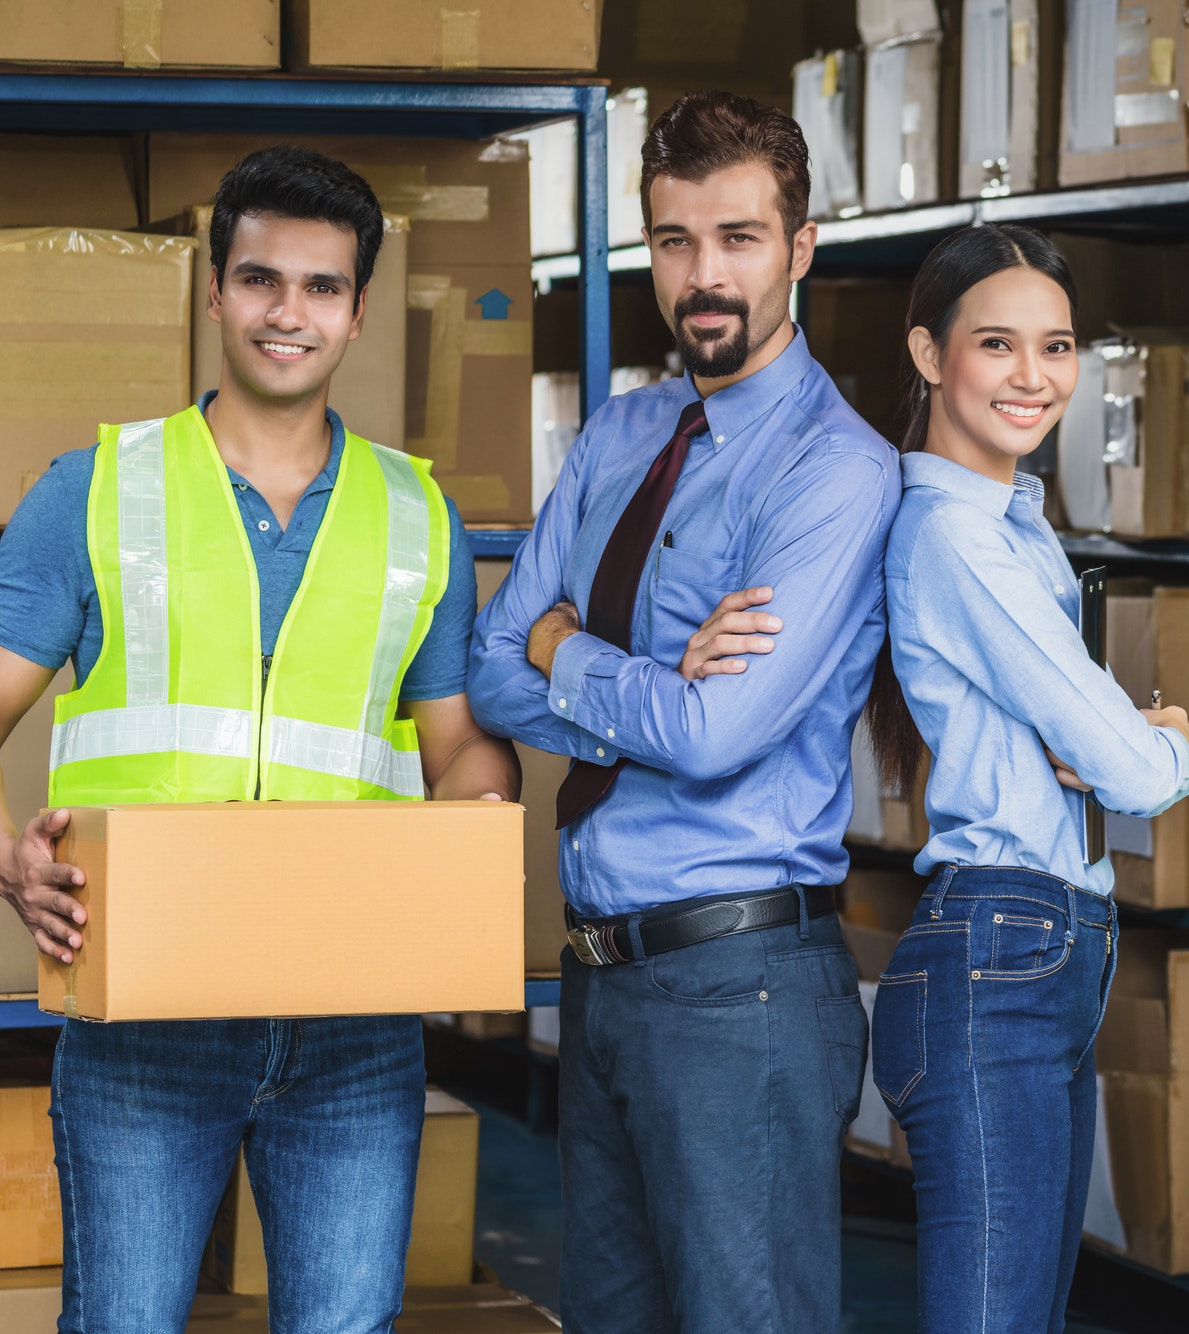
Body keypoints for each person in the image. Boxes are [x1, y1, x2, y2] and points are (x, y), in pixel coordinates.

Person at [0, 145, 517, 1333]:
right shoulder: (98, 486)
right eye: (259, 279)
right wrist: (4, 854)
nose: (286, 313)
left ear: (356, 314)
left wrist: (476, 820)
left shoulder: (419, 514)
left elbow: (458, 749)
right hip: (143, 1015)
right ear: (212, 291)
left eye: (321, 288)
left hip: (354, 1022)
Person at [468, 90, 898, 1332]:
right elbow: (490, 662)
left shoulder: (833, 470)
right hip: (600, 978)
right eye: (673, 242)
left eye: (738, 239)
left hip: (739, 990)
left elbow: (717, 736)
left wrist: (568, 647)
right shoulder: (621, 432)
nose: (702, 277)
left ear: (800, 246)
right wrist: (628, 678)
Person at [861, 223, 1189, 1332]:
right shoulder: (956, 538)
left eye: (1054, 348)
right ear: (928, 356)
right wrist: (1157, 734)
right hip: (997, 951)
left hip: (1036, 951)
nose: (1032, 377)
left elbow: (1091, 740)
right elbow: (1126, 768)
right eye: (995, 345)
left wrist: (1112, 735)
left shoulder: (1017, 528)